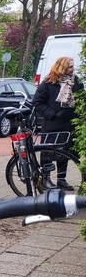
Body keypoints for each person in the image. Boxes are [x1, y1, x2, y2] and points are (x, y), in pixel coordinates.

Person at [31, 56, 83, 191]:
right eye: (70, 66)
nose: (73, 69)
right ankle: (46, 179)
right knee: (48, 152)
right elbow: (37, 102)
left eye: (73, 66)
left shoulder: (75, 81)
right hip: (53, 123)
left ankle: (61, 180)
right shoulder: (49, 82)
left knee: (65, 152)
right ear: (62, 67)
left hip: (69, 122)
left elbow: (81, 98)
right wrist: (52, 113)